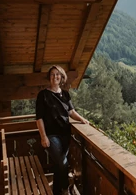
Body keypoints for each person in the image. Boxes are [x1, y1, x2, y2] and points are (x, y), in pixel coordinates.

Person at [36, 65, 89, 195]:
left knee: (59, 165)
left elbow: (71, 112)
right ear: (49, 77)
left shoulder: (65, 94)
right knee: (63, 163)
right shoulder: (43, 95)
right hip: (51, 135)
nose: (55, 76)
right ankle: (65, 189)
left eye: (58, 74)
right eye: (53, 74)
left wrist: (82, 119)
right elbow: (39, 118)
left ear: (62, 77)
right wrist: (43, 136)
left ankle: (56, 191)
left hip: (65, 134)